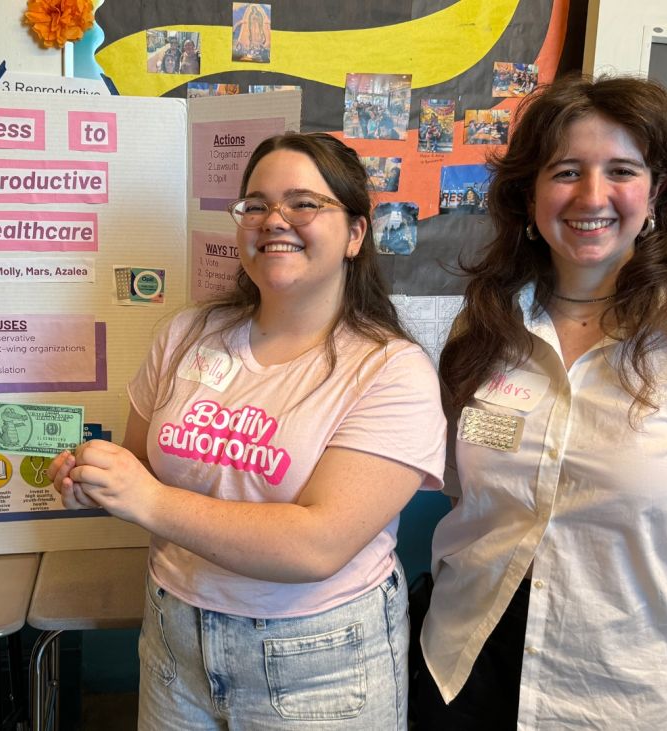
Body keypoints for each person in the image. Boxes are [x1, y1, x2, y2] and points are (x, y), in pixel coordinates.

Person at [420, 74, 667, 730]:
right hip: (465, 668)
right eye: (565, 171)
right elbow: (463, 493)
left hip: (628, 695)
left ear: (655, 193)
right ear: (529, 194)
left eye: (621, 170)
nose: (592, 195)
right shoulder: (483, 332)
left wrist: (640, 615)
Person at [50, 132, 446, 729]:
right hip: (173, 635)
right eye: (255, 205)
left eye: (304, 203)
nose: (274, 220)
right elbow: (139, 472)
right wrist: (98, 481)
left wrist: (147, 499)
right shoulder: (186, 334)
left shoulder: (391, 370)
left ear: (356, 234)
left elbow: (317, 544)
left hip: (320, 660)